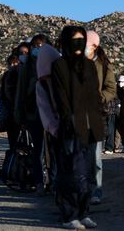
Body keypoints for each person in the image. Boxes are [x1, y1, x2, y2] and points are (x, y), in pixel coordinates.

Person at [51, 26, 102, 229]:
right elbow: (60, 97)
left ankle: (83, 211)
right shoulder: (59, 65)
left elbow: (94, 94)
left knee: (88, 171)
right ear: (65, 42)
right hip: (71, 124)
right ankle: (68, 214)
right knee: (71, 170)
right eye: (74, 40)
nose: (79, 44)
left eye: (82, 40)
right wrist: (67, 119)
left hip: (91, 125)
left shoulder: (89, 66)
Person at [14, 34, 50, 196]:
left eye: (41, 45)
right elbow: (20, 93)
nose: (37, 49)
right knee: (37, 150)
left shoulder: (53, 65)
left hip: (51, 115)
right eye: (35, 46)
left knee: (51, 151)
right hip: (33, 114)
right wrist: (20, 116)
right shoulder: (26, 68)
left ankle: (53, 181)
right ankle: (39, 182)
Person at [84, 31, 116, 204]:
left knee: (95, 157)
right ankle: (82, 190)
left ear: (94, 46)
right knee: (80, 156)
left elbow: (111, 89)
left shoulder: (104, 65)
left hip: (96, 115)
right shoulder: (75, 62)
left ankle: (96, 191)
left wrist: (98, 98)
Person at [35, 44, 61, 195]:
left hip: (65, 123)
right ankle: (52, 184)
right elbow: (44, 107)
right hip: (52, 125)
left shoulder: (61, 78)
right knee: (48, 154)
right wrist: (53, 127)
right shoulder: (41, 84)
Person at [1, 53, 20, 149]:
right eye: (10, 64)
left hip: (20, 111)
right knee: (13, 142)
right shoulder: (7, 75)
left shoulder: (22, 75)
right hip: (11, 112)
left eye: (15, 63)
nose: (12, 65)